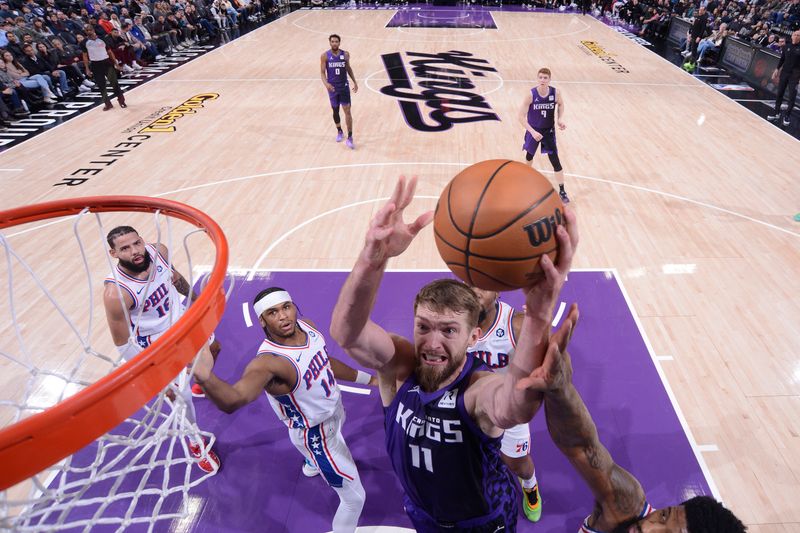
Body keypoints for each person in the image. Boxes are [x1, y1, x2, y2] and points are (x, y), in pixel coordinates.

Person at [329, 176, 579, 532]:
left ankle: (529, 486)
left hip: (482, 522)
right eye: (424, 327)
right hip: (421, 514)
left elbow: (512, 407)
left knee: (517, 457)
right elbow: (346, 333)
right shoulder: (400, 368)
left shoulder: (478, 387)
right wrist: (373, 258)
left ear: (473, 336)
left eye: (448, 331)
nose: (432, 343)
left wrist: (539, 315)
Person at [516, 312, 747, 533]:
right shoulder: (627, 507)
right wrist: (559, 388)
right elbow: (582, 447)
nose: (647, 527)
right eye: (664, 515)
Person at [193, 287, 373, 533]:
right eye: (272, 312)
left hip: (333, 409)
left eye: (286, 307)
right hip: (315, 434)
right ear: (262, 320)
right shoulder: (268, 363)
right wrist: (204, 377)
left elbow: (325, 361)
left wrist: (368, 379)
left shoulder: (308, 327)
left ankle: (312, 464)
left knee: (337, 424)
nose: (283, 316)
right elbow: (234, 399)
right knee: (355, 500)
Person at [102, 225, 221, 474]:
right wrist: (152, 375)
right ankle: (195, 442)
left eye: (136, 243)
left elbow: (176, 279)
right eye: (125, 248)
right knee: (182, 398)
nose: (134, 251)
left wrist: (198, 302)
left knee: (215, 347)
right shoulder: (117, 293)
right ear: (114, 254)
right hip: (158, 344)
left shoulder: (158, 253)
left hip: (184, 322)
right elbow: (122, 343)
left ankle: (199, 380)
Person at [467, 288, 543, 523]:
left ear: (498, 291)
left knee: (517, 464)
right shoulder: (454, 318)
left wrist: (539, 331)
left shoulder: (516, 325)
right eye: (469, 282)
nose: (474, 289)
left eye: (483, 284)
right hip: (467, 405)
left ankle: (530, 486)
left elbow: (546, 364)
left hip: (506, 406)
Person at [520, 67, 569, 204]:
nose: (542, 80)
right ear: (537, 78)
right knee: (529, 156)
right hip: (534, 130)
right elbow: (520, 116)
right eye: (540, 77)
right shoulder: (531, 94)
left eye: (545, 78)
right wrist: (532, 131)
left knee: (555, 161)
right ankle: (525, 181)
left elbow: (561, 104)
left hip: (548, 131)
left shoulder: (555, 93)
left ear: (549, 80)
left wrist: (559, 119)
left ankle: (562, 190)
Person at [320, 34, 358, 149]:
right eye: (332, 41)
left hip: (344, 87)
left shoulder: (345, 54)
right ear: (329, 42)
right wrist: (326, 84)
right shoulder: (324, 56)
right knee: (335, 110)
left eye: (336, 41)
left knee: (347, 111)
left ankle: (350, 137)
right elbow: (322, 72)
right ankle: (339, 131)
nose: (334, 43)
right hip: (332, 88)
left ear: (339, 42)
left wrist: (355, 81)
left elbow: (348, 68)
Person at [81, 23, 126, 111]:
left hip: (106, 62)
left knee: (114, 83)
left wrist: (116, 64)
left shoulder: (102, 39)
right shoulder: (84, 43)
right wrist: (87, 68)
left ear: (93, 30)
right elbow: (85, 56)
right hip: (95, 65)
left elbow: (109, 52)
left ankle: (121, 101)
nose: (88, 31)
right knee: (101, 85)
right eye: (86, 30)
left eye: (90, 29)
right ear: (85, 32)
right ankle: (108, 104)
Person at [768, 29, 800, 127]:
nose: (796, 36)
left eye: (798, 35)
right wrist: (777, 69)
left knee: (791, 97)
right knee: (779, 93)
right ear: (792, 36)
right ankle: (776, 113)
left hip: (795, 75)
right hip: (784, 73)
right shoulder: (786, 46)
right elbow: (782, 59)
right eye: (795, 34)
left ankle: (787, 116)